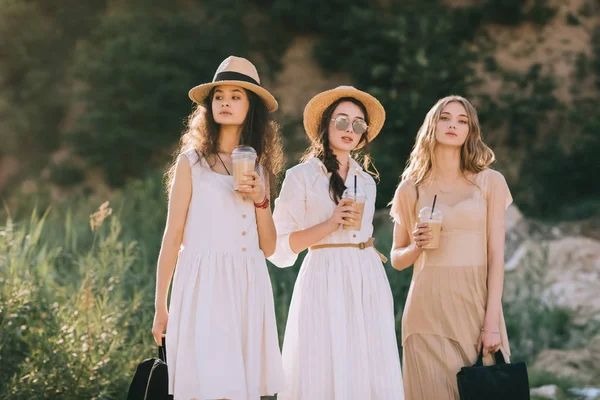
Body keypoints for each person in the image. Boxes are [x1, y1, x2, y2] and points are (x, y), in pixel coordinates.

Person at [151, 56, 285, 400]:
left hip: (247, 284)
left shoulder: (259, 168)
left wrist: (261, 199)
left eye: (236, 95)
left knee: (239, 390)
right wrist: (160, 306)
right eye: (219, 96)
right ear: (209, 106)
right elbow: (172, 237)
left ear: (250, 105)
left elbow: (269, 248)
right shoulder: (191, 163)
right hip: (203, 285)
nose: (225, 102)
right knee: (209, 387)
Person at [269, 86, 404, 400]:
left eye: (358, 124)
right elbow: (279, 246)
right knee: (322, 359)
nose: (350, 130)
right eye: (342, 121)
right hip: (324, 274)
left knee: (369, 362)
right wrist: (330, 223)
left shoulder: (367, 181)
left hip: (367, 275)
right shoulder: (300, 176)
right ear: (325, 125)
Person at [389, 95, 512, 399]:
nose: (453, 125)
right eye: (445, 118)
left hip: (475, 307)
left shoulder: (490, 183)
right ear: (432, 125)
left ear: (471, 132)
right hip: (425, 310)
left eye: (462, 120)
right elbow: (396, 259)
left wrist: (491, 323)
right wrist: (417, 247)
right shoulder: (410, 188)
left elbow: (497, 258)